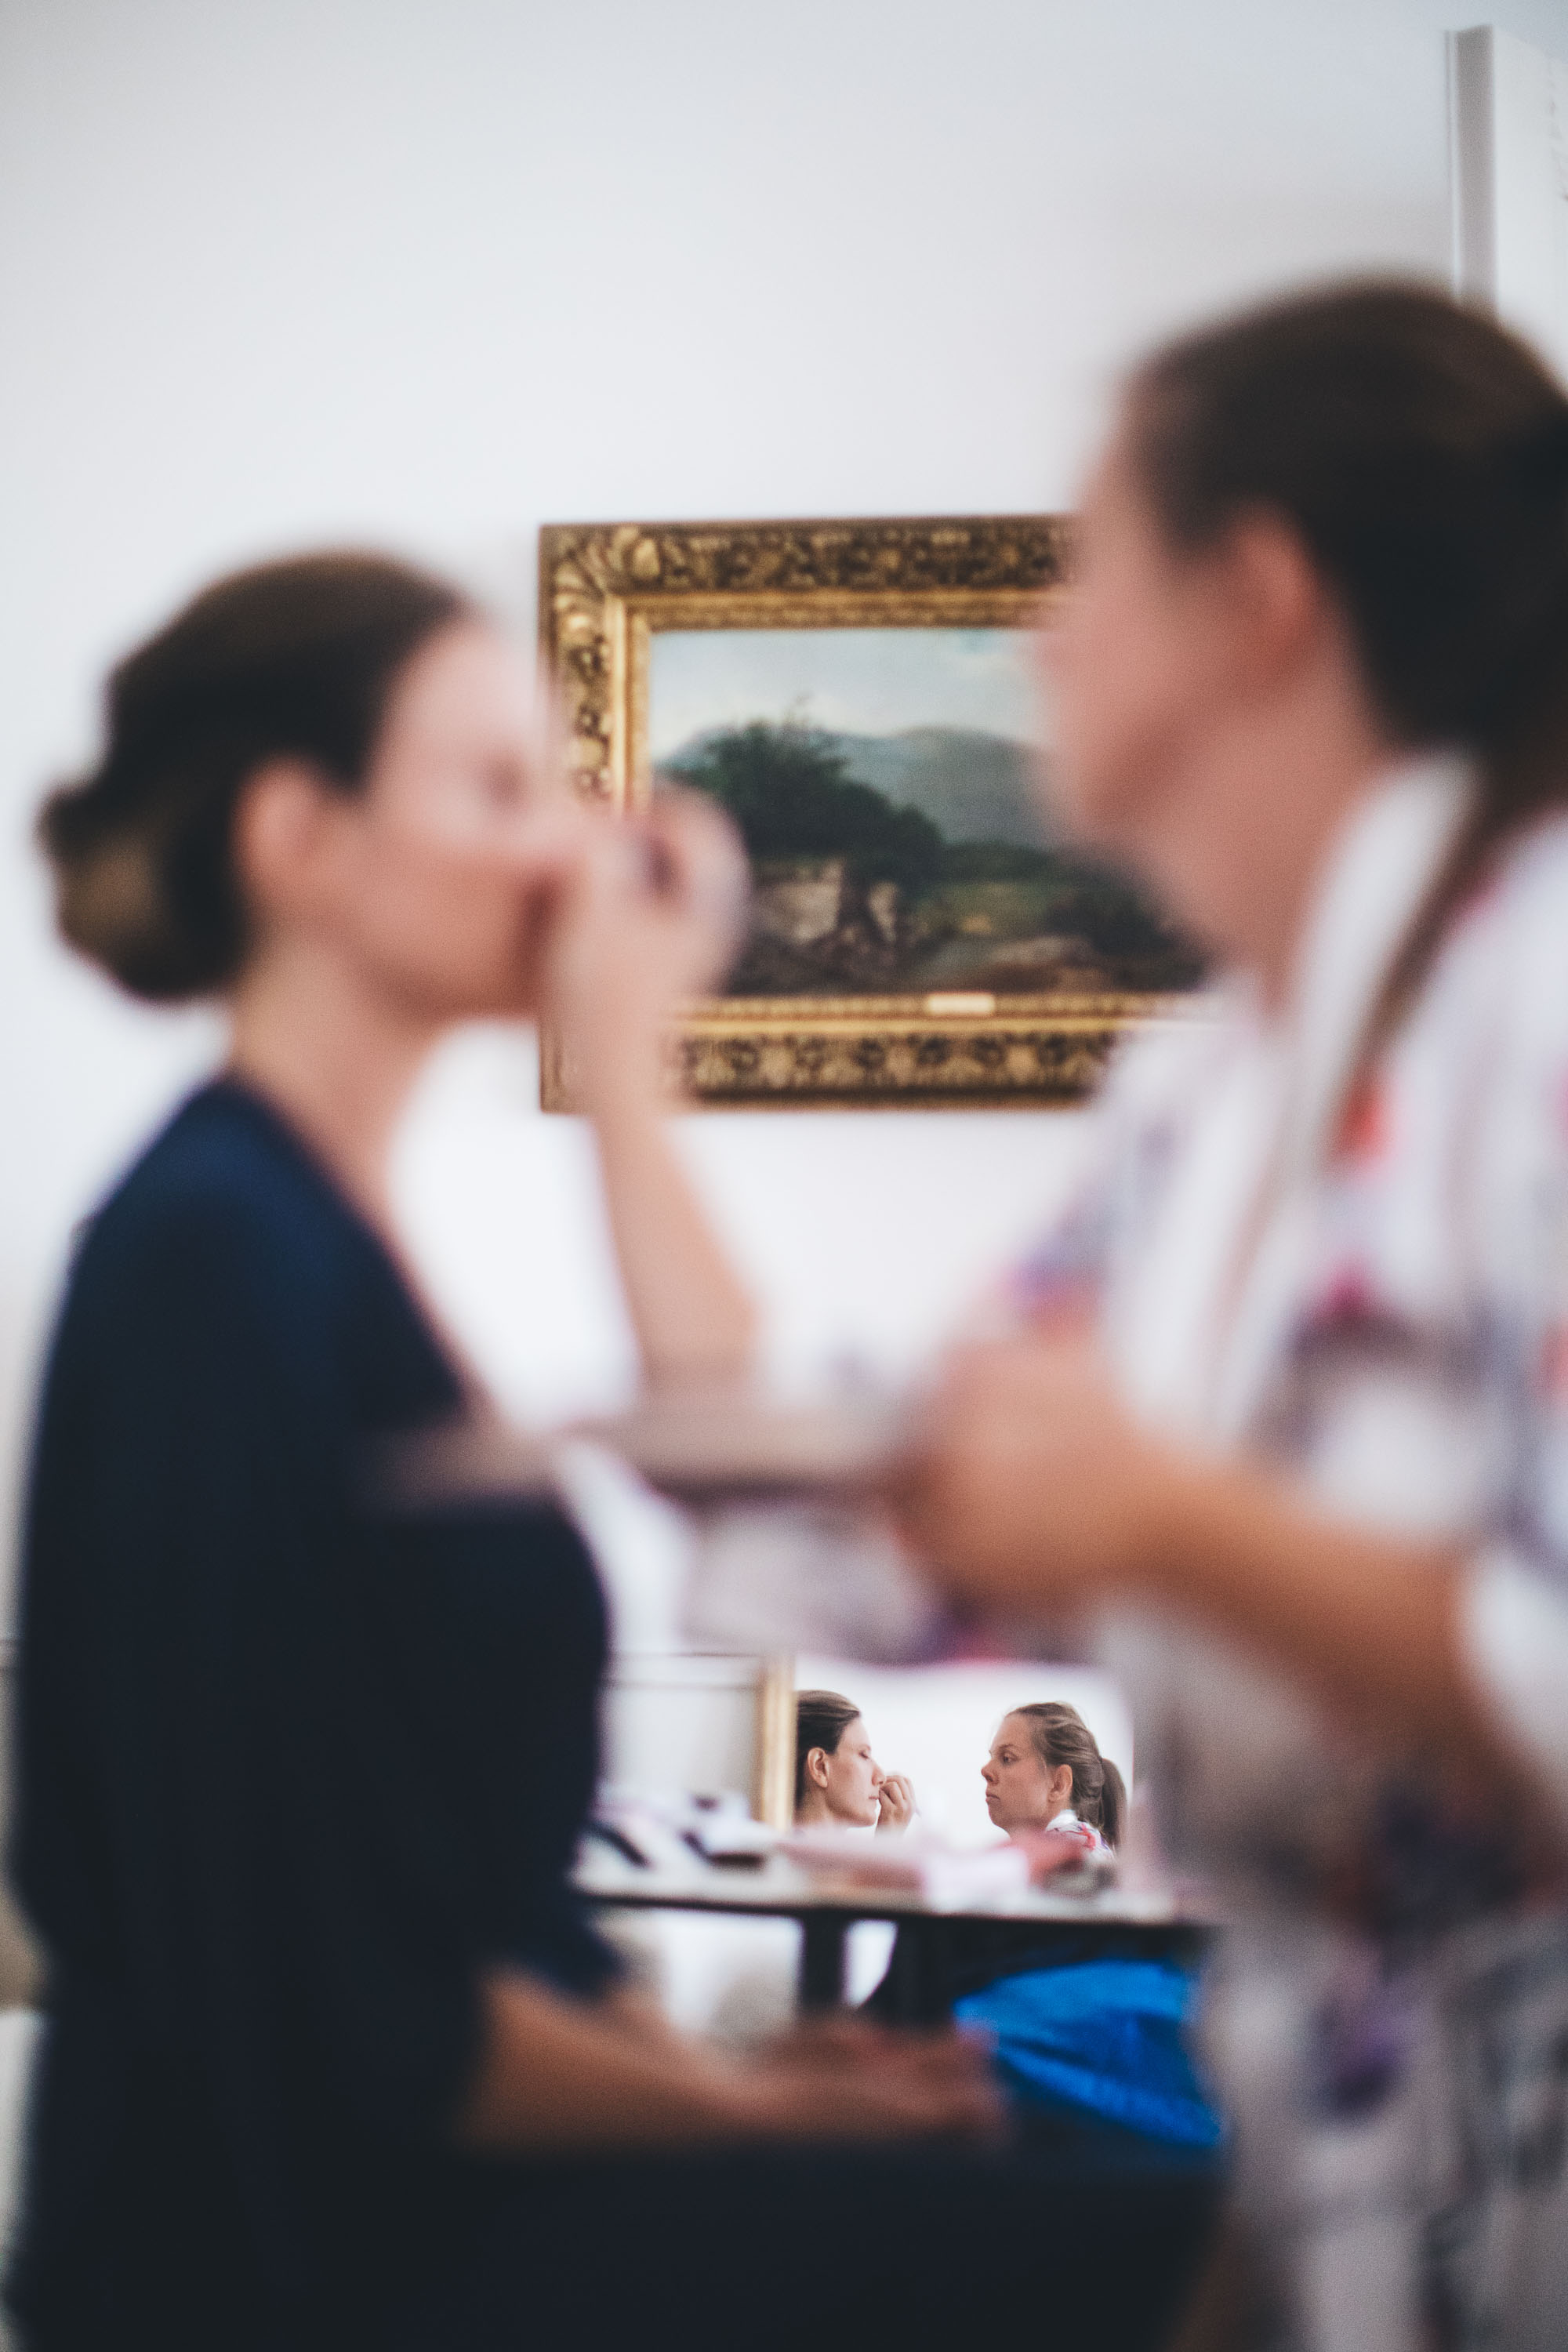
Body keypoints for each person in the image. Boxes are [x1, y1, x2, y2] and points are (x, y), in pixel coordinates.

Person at [7, 552, 1212, 2352]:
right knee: (1152, 2246)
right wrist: (730, 2099)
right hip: (292, 2246)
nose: (572, 847)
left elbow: (436, 1907)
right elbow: (325, 1994)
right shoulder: (215, 1258)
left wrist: (710, 2060)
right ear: (295, 839)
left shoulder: (310, 1237)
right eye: (499, 787)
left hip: (397, 2175)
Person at [894, 282, 1568, 2349]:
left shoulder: (1543, 1001)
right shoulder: (1200, 1091)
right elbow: (946, 1487)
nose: (1039, 636)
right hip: (1334, 2205)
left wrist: (1170, 1523)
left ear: (1255, 598)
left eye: (1088, 568)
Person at [982, 1702, 1125, 1853]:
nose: (985, 1770)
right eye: (992, 1757)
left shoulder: (1072, 1859)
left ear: (1059, 1783)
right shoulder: (1066, 1854)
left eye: (1007, 1758)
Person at [793, 1689, 915, 1832]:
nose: (881, 1777)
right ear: (820, 1766)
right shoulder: (784, 1855)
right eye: (863, 1755)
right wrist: (889, 1841)